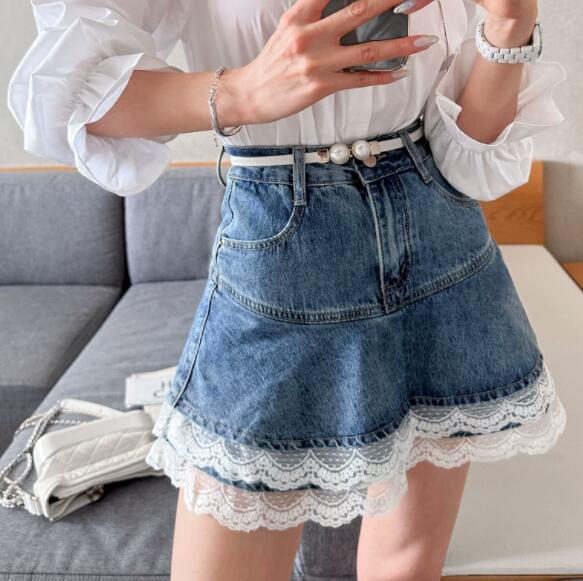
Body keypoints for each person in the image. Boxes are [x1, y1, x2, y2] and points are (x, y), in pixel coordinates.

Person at [7, 0, 568, 579]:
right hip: (282, 242)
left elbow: (468, 163)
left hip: (442, 239)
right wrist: (242, 92)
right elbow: (62, 97)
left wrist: (510, 25)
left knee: (408, 563)